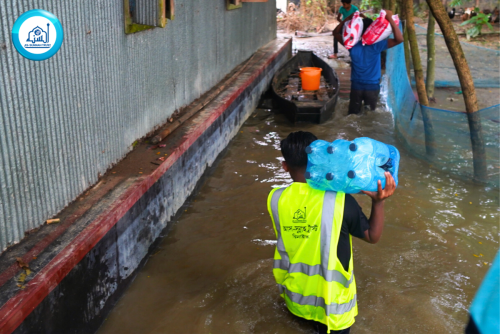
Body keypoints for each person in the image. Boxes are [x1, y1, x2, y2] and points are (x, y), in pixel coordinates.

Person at [267, 131, 396, 334]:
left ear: (285, 166)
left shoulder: (276, 199)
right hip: (333, 311)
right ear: (321, 158)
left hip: (295, 300)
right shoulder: (339, 200)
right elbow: (373, 236)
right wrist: (378, 202)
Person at [333, 10, 403, 115]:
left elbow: (335, 33)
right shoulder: (377, 46)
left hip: (356, 87)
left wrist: (347, 19)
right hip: (372, 88)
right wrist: (389, 19)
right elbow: (399, 39)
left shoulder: (352, 46)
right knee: (369, 116)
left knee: (352, 115)